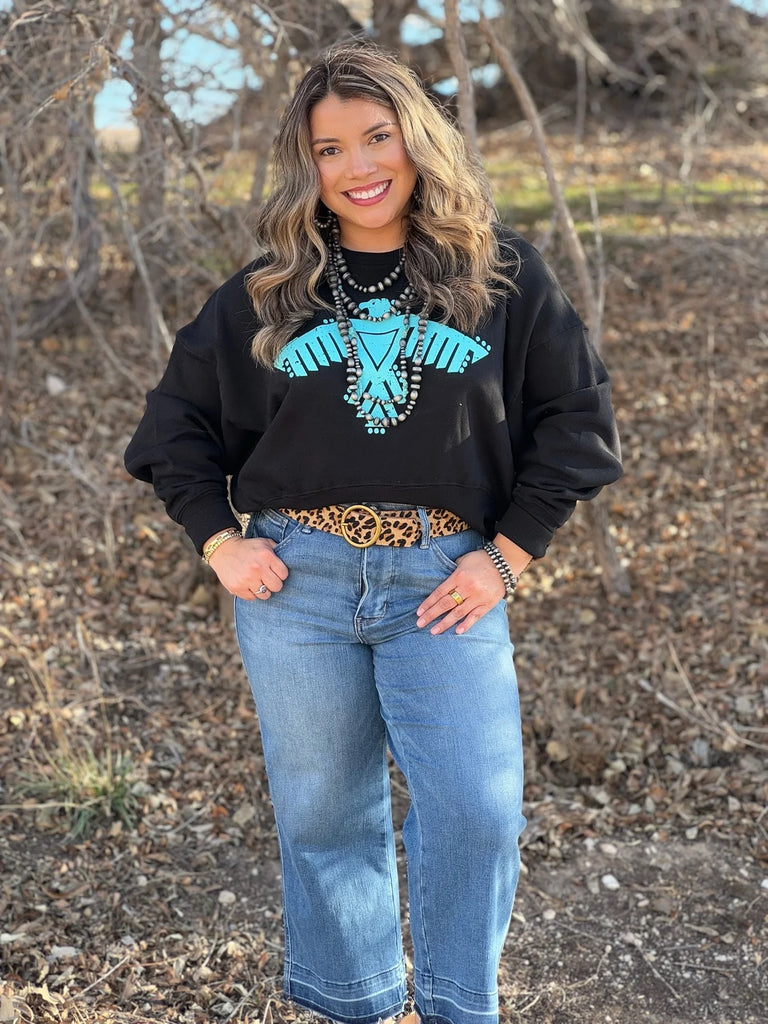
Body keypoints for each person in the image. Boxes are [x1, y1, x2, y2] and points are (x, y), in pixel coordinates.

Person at [124, 43, 622, 1024]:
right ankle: (355, 1001)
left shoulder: (503, 276)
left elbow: (578, 423)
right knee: (323, 814)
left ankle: (453, 1005)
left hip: (445, 576)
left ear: (416, 138)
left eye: (377, 137)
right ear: (306, 164)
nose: (357, 165)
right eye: (329, 147)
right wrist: (219, 541)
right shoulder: (267, 293)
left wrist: (509, 555)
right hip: (296, 582)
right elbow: (173, 428)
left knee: (477, 811)